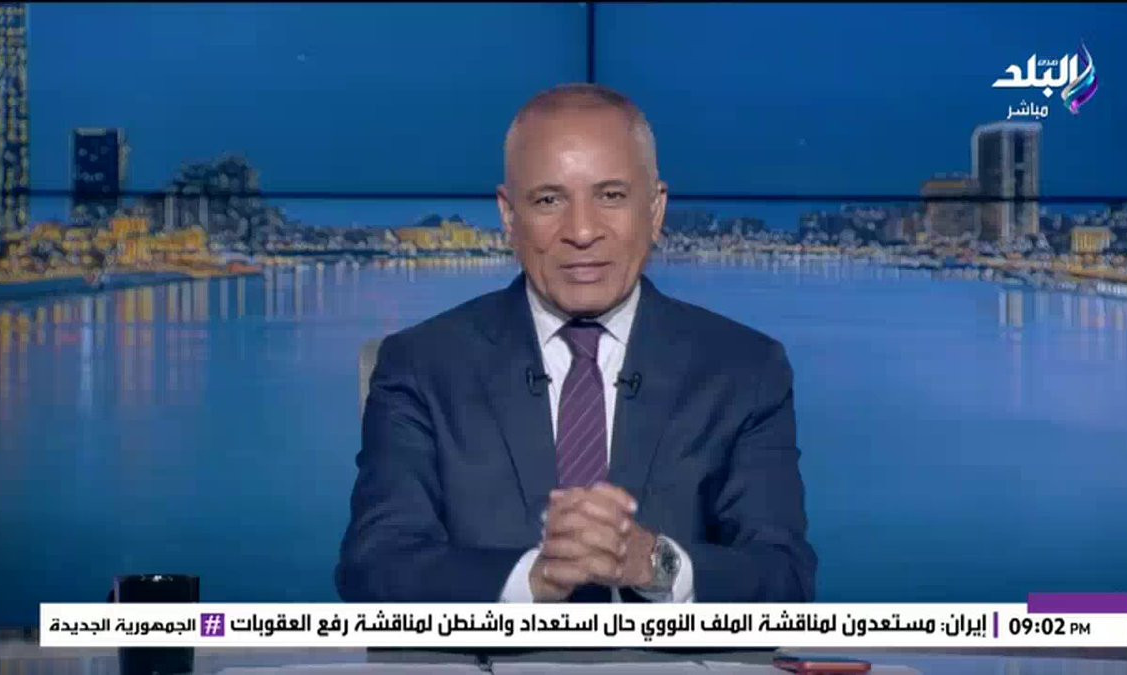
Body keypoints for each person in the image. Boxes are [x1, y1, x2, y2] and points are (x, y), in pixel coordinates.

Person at [336, 83, 816, 604]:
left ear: (655, 210)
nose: (582, 231)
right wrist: (534, 581)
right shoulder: (420, 367)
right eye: (549, 200)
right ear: (509, 216)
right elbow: (375, 569)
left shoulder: (744, 370)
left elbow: (783, 579)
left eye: (611, 196)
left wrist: (654, 565)